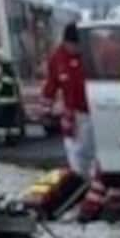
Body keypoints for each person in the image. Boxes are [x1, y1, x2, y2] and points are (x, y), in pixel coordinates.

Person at [41, 22, 94, 180]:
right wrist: (46, 110)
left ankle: (94, 181)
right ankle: (79, 181)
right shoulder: (57, 58)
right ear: (65, 42)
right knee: (75, 152)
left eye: (77, 45)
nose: (74, 49)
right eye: (72, 45)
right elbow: (51, 85)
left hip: (95, 110)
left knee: (95, 152)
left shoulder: (91, 54)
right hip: (74, 113)